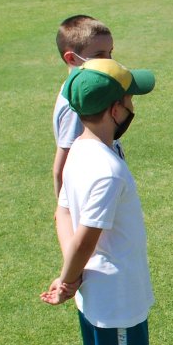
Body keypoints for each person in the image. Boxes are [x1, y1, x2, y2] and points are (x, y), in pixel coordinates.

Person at [39, 59, 157, 345]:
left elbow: (63, 212)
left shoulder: (78, 149)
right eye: (129, 99)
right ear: (115, 110)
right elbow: (85, 240)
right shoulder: (108, 170)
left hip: (94, 292)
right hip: (116, 301)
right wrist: (68, 279)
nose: (132, 106)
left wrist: (73, 274)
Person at [53, 15, 116, 258]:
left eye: (111, 53)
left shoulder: (90, 91)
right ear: (72, 58)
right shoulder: (75, 104)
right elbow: (61, 166)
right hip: (92, 206)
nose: (109, 61)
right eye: (100, 55)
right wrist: (66, 216)